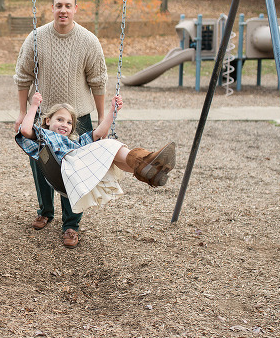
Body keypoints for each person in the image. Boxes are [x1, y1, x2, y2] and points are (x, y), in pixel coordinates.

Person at [14, 0, 109, 248]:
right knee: (42, 164)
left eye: (68, 6)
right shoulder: (36, 38)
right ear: (53, 8)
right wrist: (23, 112)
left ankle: (71, 225)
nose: (63, 10)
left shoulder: (89, 41)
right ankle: (45, 211)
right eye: (59, 5)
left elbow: (98, 82)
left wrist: (102, 119)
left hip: (77, 117)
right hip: (44, 118)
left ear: (76, 9)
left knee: (75, 172)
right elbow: (23, 76)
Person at [17, 92, 176, 248]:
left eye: (69, 122)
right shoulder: (44, 135)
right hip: (65, 167)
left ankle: (150, 171)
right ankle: (146, 160)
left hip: (80, 169)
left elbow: (99, 132)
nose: (64, 124)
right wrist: (34, 106)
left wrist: (112, 111)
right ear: (47, 120)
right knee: (108, 146)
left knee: (111, 152)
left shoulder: (75, 142)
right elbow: (25, 130)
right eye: (60, 120)